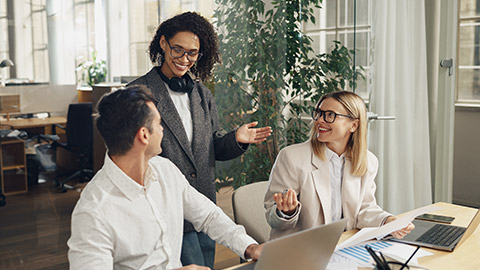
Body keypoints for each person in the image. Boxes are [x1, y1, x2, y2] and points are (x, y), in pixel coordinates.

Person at [128, 11, 271, 268]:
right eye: (178, 50)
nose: (185, 59)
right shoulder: (137, 93)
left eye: (192, 53)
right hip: (163, 207)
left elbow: (211, 149)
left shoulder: (202, 94)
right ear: (162, 43)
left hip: (204, 206)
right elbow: (132, 156)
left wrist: (236, 139)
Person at [67, 86, 263, 270]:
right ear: (144, 135)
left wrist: (249, 247)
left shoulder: (166, 171)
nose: (163, 130)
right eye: (159, 124)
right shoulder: (93, 212)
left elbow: (208, 216)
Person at [264, 91, 414, 240]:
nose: (320, 121)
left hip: (343, 245)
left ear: (353, 125)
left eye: (330, 115)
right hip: (302, 248)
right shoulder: (292, 157)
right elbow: (273, 219)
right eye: (319, 113)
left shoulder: (368, 161)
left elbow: (364, 209)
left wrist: (388, 221)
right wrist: (287, 212)